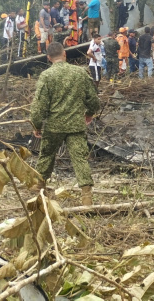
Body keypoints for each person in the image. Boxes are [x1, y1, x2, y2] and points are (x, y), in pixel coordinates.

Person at [31, 42, 100, 207]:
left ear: (48, 58)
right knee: (80, 159)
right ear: (65, 54)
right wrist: (89, 113)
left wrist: (36, 125)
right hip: (75, 125)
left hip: (54, 125)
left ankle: (38, 189)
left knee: (46, 155)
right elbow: (93, 98)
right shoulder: (80, 73)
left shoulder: (46, 76)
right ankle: (87, 197)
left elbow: (39, 105)